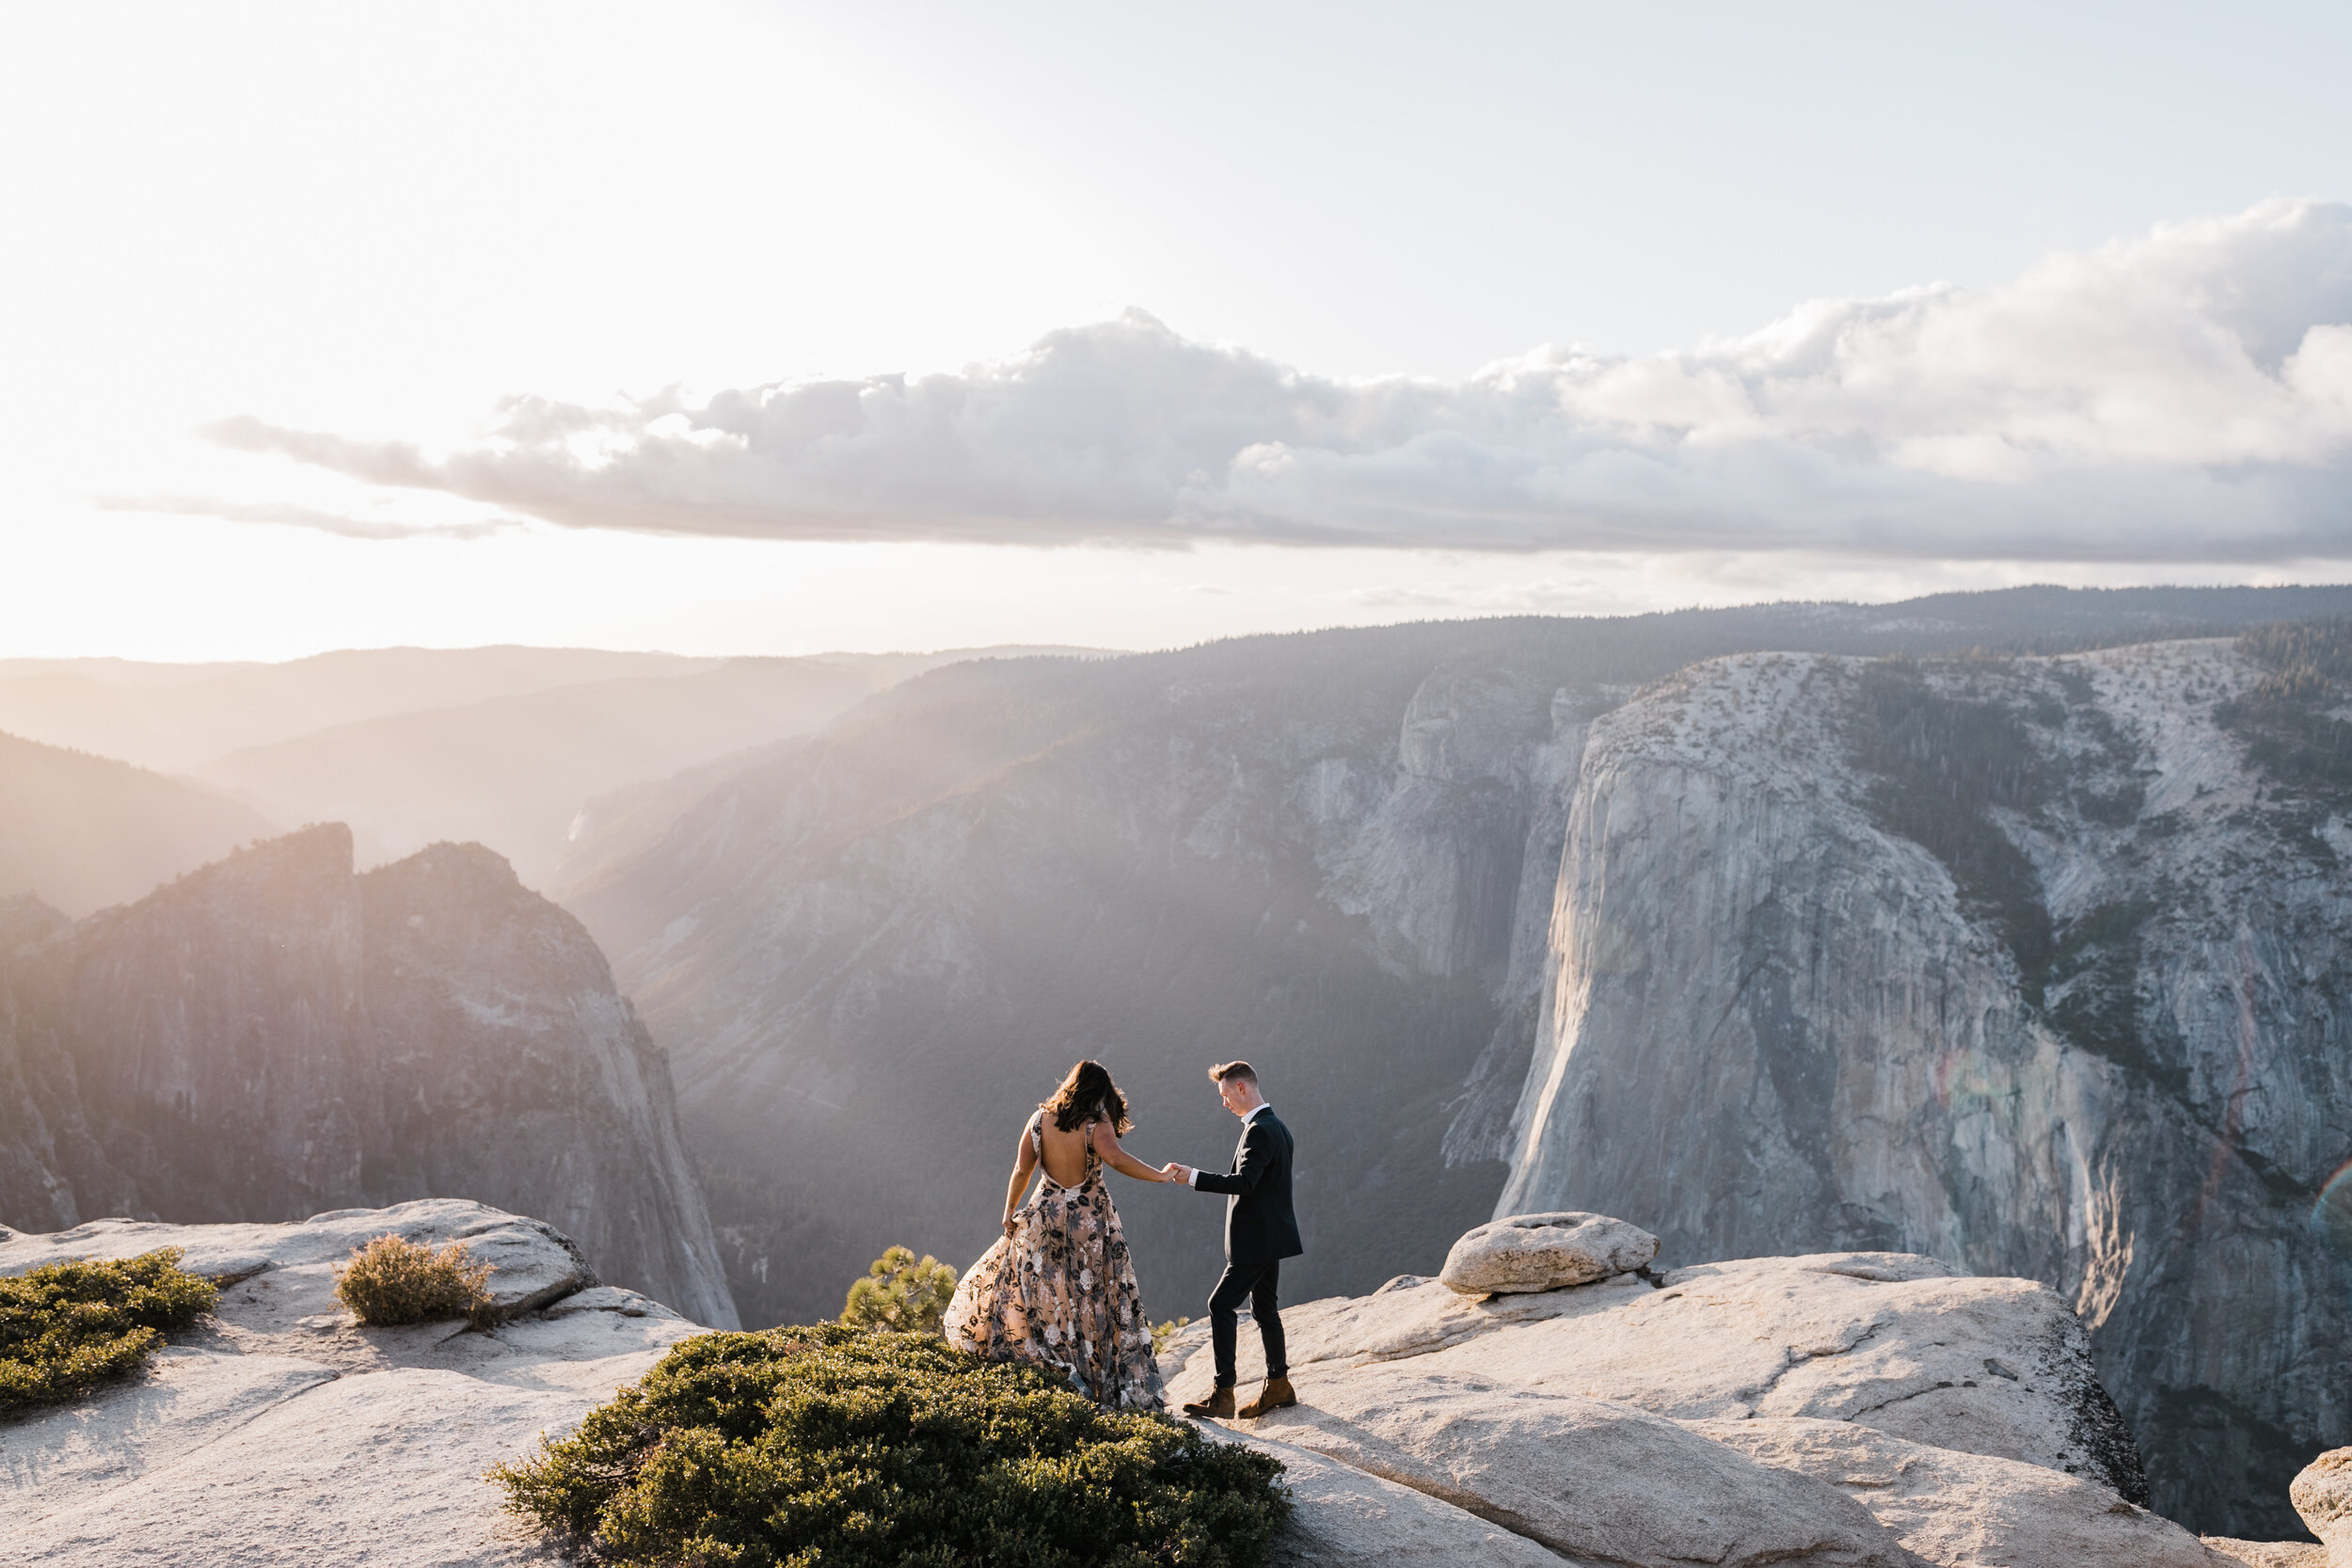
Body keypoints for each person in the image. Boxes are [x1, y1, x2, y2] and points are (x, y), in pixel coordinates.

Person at [944, 1059, 1178, 1411]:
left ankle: (1051, 1365)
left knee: (1046, 1295)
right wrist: (1160, 1176)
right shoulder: (1095, 1124)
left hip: (1044, 1218)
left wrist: (1009, 1210)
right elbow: (1116, 1159)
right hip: (1089, 1223)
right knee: (1092, 1297)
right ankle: (1091, 1375)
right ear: (1097, 1093)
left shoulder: (1038, 1121)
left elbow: (1022, 1169)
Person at [1162, 1060, 1301, 1419]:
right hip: (1271, 1236)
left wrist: (1193, 1176)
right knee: (1265, 1310)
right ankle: (1279, 1386)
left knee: (1220, 1305)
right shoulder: (1276, 1126)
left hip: (1256, 1241)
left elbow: (1244, 1183)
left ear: (1242, 1088)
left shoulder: (1260, 1130)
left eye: (1225, 1095)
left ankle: (1224, 1394)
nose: (1224, 1103)